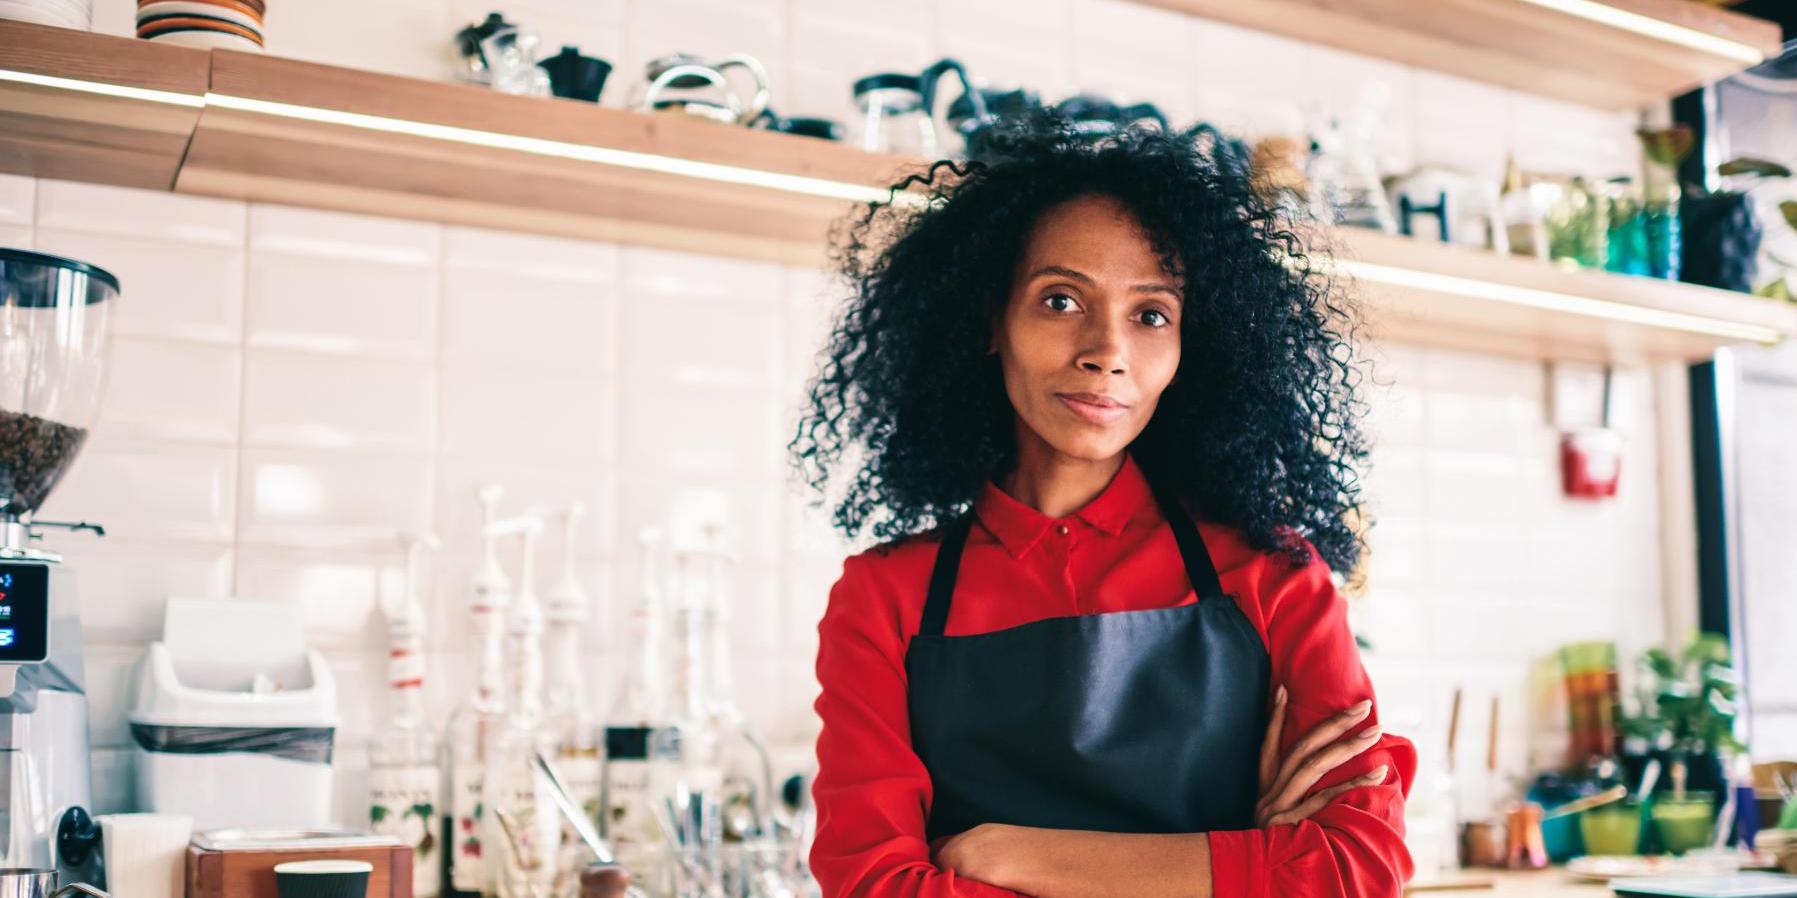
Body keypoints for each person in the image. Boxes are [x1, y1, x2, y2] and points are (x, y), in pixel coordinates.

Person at [788, 114, 1417, 898]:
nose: (1106, 352)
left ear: (1191, 349)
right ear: (992, 320)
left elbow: (1358, 870)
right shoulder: (882, 598)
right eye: (1059, 300)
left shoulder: (1273, 574)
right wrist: (1244, 862)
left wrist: (1008, 854)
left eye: (1151, 315)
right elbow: (873, 886)